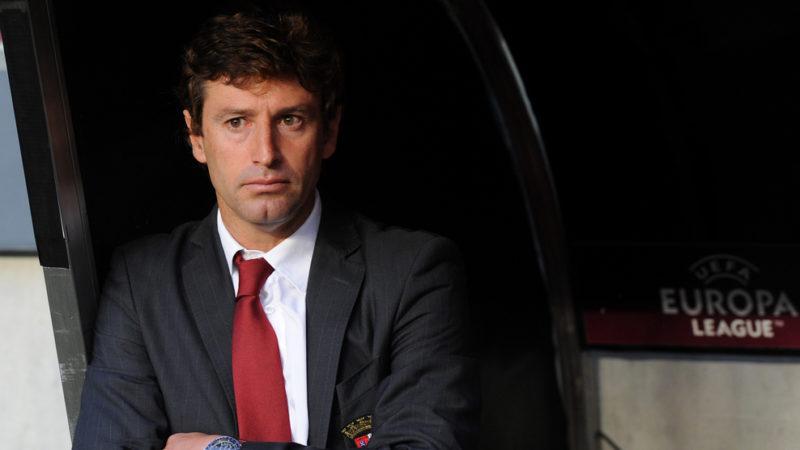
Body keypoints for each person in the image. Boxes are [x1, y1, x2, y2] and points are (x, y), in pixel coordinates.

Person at [72, 6, 478, 450]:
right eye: (236, 122)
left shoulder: (411, 272)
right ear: (196, 136)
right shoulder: (142, 281)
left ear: (329, 131)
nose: (265, 153)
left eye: (290, 120)